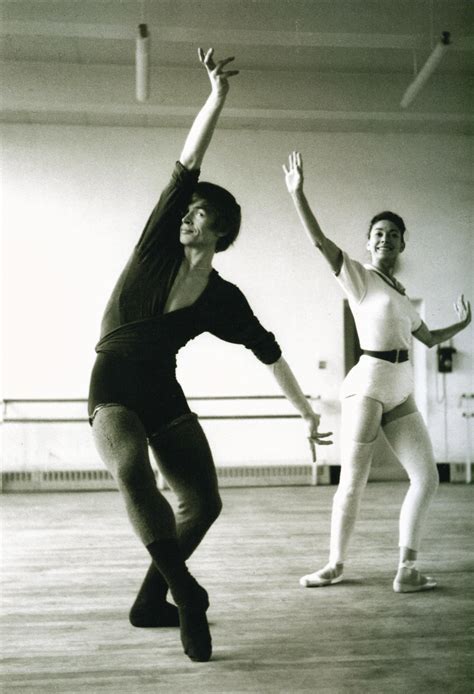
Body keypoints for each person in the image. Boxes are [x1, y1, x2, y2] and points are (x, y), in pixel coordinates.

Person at [88, 52, 331, 663]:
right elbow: (187, 160)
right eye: (187, 210)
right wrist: (215, 98)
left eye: (198, 214)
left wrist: (305, 412)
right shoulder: (154, 250)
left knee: (204, 501)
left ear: (218, 228)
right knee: (130, 471)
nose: (186, 219)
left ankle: (151, 601)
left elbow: (269, 352)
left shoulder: (223, 299)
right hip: (113, 379)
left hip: (160, 390)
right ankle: (186, 593)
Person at [283, 150, 471, 593]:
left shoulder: (402, 295)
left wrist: (461, 324)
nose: (385, 239)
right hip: (367, 385)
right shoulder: (359, 277)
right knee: (353, 481)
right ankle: (334, 563)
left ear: (403, 244)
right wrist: (298, 195)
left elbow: (425, 339)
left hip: (401, 388)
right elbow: (319, 243)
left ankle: (407, 568)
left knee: (427, 477)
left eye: (393, 234)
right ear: (369, 243)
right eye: (378, 233)